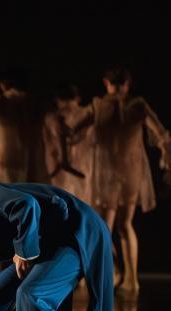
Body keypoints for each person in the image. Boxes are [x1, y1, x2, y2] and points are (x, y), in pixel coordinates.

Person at [71, 67, 171, 294]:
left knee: (104, 227)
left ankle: (110, 274)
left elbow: (73, 130)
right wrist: (167, 166)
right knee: (125, 225)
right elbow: (162, 135)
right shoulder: (138, 106)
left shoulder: (98, 106)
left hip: (106, 174)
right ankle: (132, 279)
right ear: (127, 85)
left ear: (106, 83)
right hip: (130, 173)